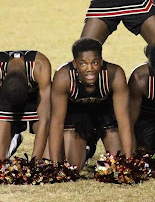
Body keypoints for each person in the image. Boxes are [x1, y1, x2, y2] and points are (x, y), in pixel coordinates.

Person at [49, 38, 133, 169]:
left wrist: (128, 161)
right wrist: (55, 166)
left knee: (118, 164)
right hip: (76, 116)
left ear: (101, 61)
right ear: (75, 63)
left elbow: (124, 121)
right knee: (73, 167)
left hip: (104, 115)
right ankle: (86, 149)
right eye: (83, 64)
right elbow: (57, 122)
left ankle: (91, 146)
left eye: (95, 62)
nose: (90, 69)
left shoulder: (114, 74)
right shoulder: (64, 77)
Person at [0, 50, 51, 160]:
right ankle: (12, 140)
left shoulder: (40, 65)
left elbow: (45, 120)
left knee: (47, 160)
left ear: (28, 83)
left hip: (35, 100)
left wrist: (34, 163)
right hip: (6, 103)